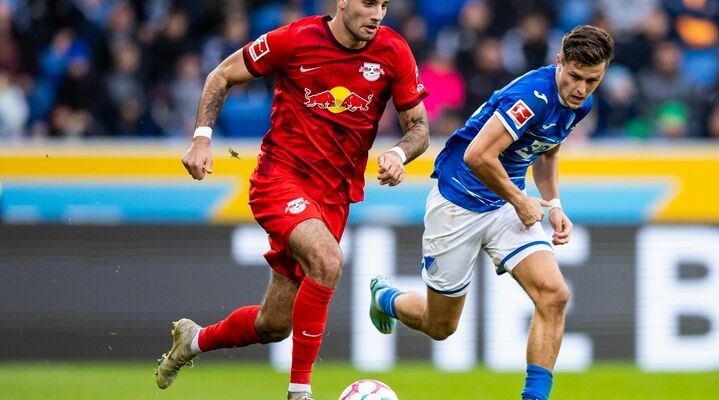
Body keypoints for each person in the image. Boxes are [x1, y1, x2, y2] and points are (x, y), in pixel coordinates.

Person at [155, 1, 430, 399]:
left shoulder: (394, 51)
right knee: (328, 260)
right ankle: (299, 391)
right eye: (370, 2)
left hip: (333, 198)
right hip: (280, 179)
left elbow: (419, 127)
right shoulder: (296, 39)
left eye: (385, 5)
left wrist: (399, 153)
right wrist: (201, 137)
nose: (378, 14)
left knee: (273, 324)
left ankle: (193, 340)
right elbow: (222, 74)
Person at [369, 25, 614, 400]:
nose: (581, 89)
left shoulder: (581, 103)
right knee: (440, 326)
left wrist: (555, 205)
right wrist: (519, 200)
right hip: (458, 203)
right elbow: (477, 155)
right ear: (559, 61)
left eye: (592, 80)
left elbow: (547, 152)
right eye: (575, 76)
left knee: (554, 295)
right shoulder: (531, 97)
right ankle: (386, 298)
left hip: (505, 205)